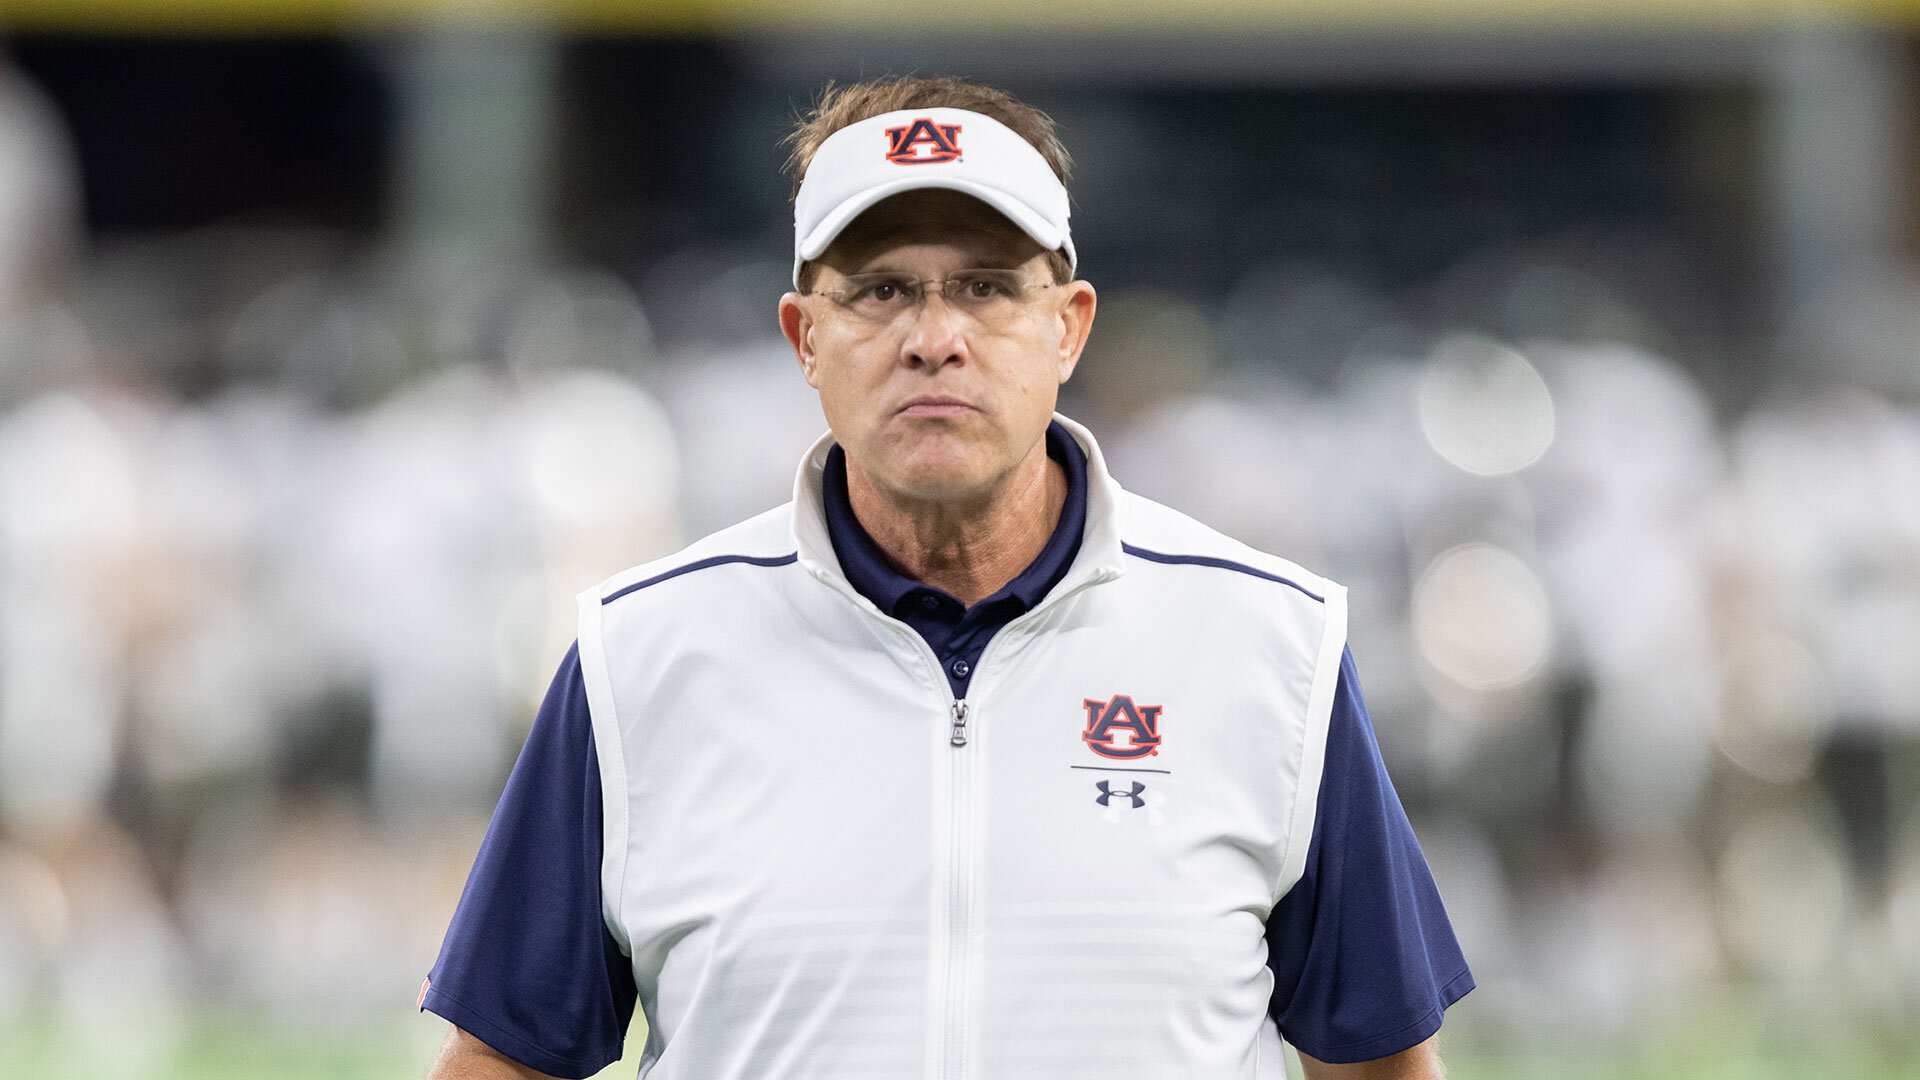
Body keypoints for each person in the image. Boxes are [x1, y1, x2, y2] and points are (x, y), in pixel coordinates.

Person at [420, 76, 1472, 1080]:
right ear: (805, 337)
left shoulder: (1268, 646)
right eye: (881, 291)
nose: (935, 339)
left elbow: (1378, 1058)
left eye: (986, 288)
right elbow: (502, 1058)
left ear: (1068, 326)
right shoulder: (642, 657)